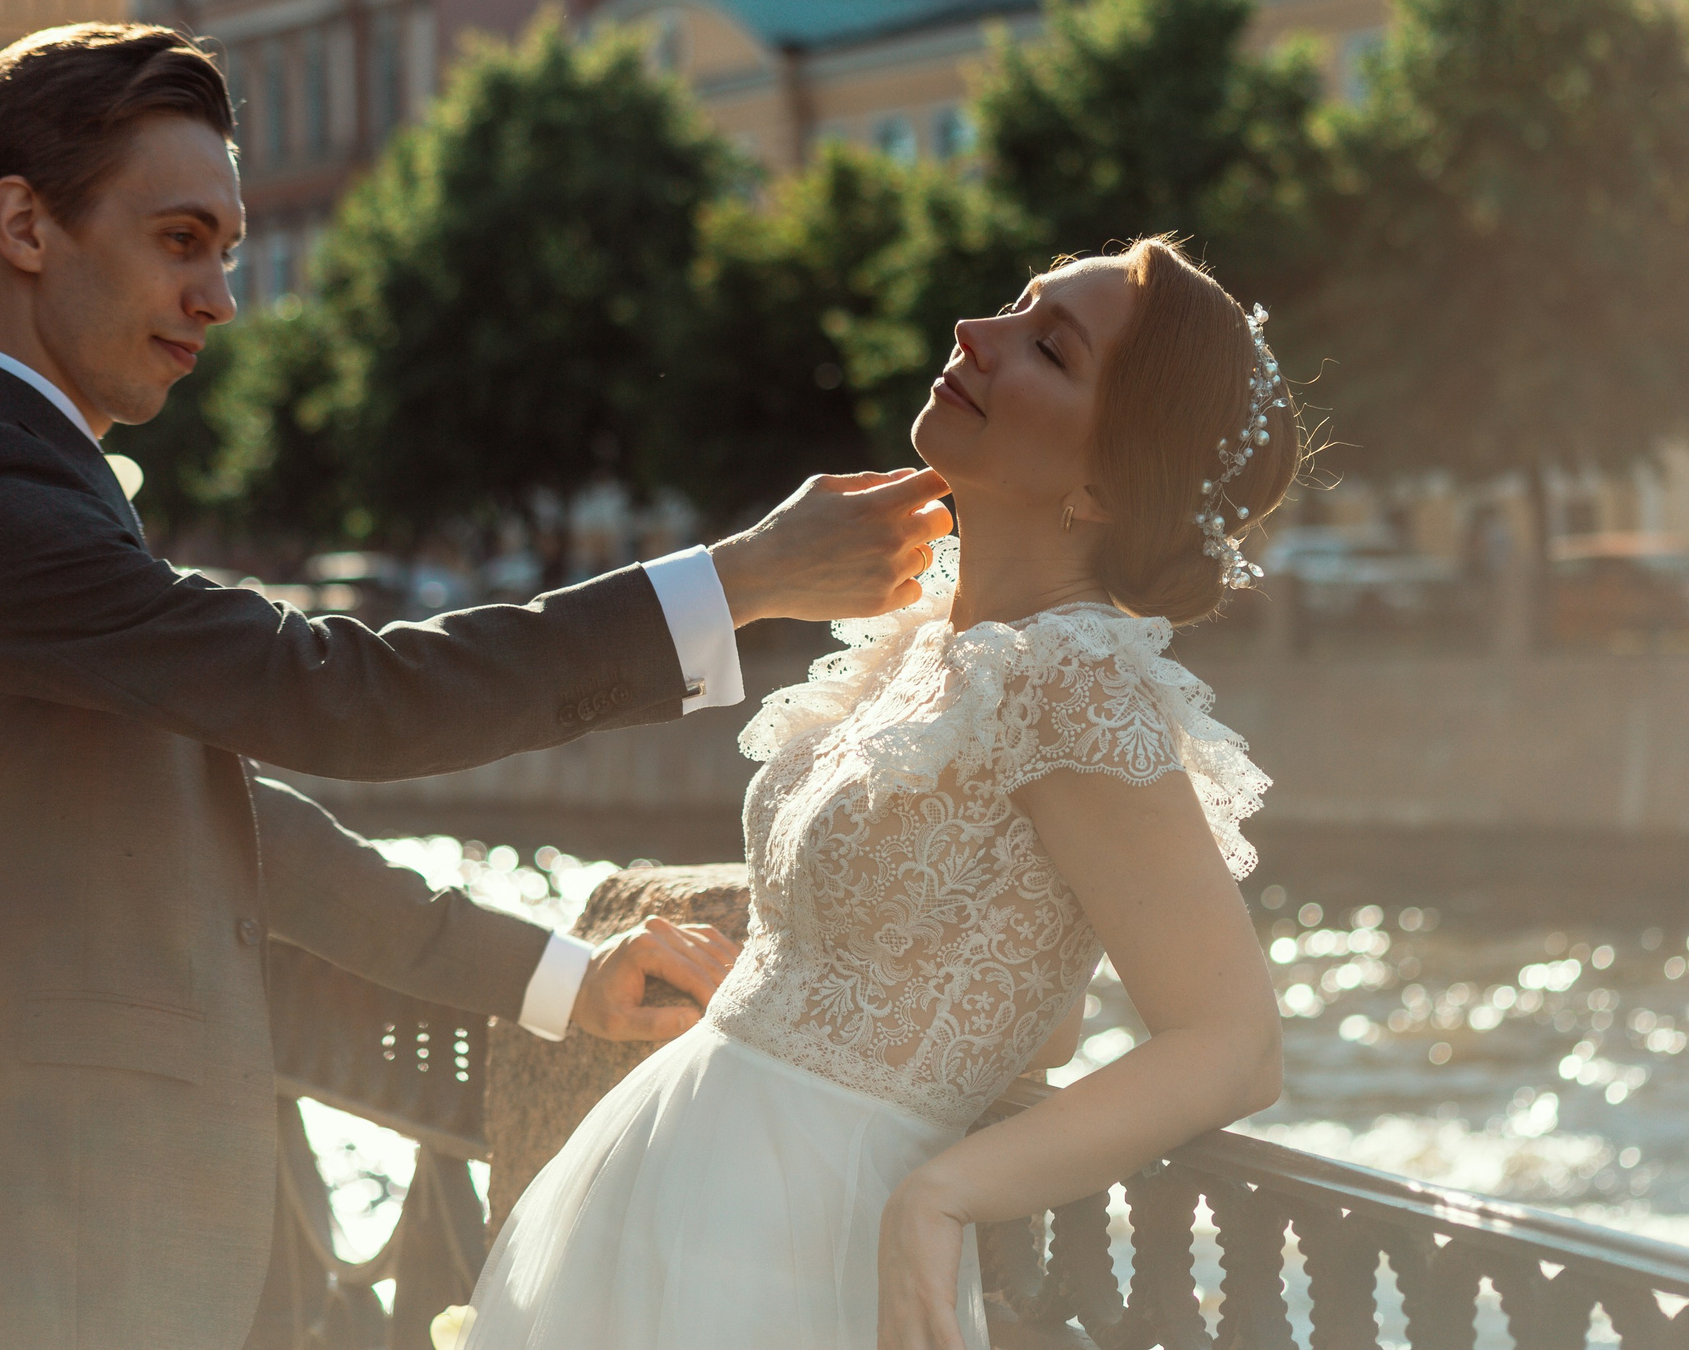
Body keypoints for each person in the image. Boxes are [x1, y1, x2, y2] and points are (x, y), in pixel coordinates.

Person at [0, 23, 951, 1350]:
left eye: (229, 249)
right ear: (25, 224)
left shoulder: (5, 478)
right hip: (3, 1261)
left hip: (61, 1244)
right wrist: (738, 578)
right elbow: (345, 692)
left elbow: (241, 836)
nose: (223, 296)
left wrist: (559, 974)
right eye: (181, 238)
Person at [460, 237, 1297, 1350]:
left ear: (1106, 482)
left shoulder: (1075, 685)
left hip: (812, 1234)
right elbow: (1029, 1009)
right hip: (682, 1167)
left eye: (1046, 346)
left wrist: (947, 1192)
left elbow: (1234, 1042)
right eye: (1014, 304)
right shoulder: (929, 639)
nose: (976, 333)